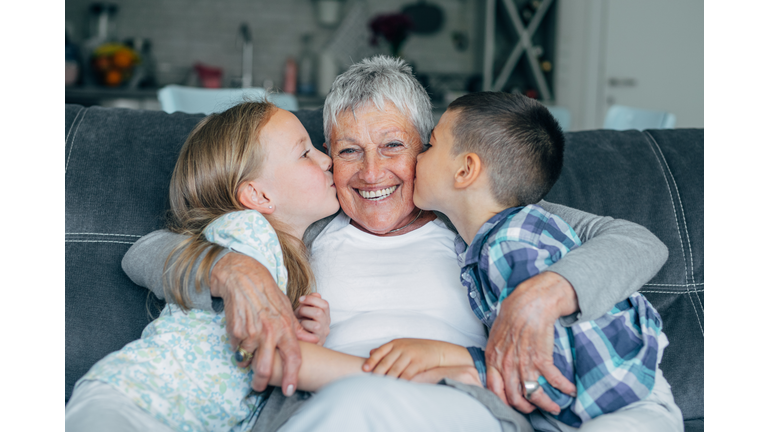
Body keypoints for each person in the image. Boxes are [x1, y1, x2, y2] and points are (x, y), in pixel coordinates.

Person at [122, 56, 671, 431]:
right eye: (348, 151)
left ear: (433, 152)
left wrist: (544, 293)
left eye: (392, 145)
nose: (372, 171)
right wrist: (238, 271)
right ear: (326, 159)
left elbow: (636, 242)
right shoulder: (305, 224)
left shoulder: (477, 216)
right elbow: (145, 250)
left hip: (458, 405)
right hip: (322, 402)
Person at [362, 91, 684, 431]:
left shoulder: (512, 242)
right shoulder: (499, 234)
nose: (413, 161)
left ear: (466, 170)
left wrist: (453, 360)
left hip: (620, 403)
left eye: (428, 146)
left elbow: (546, 368)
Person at [65, 101, 342, 431]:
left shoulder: (287, 263)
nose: (327, 160)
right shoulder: (246, 230)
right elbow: (147, 255)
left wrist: (304, 333)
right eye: (305, 153)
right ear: (258, 196)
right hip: (136, 399)